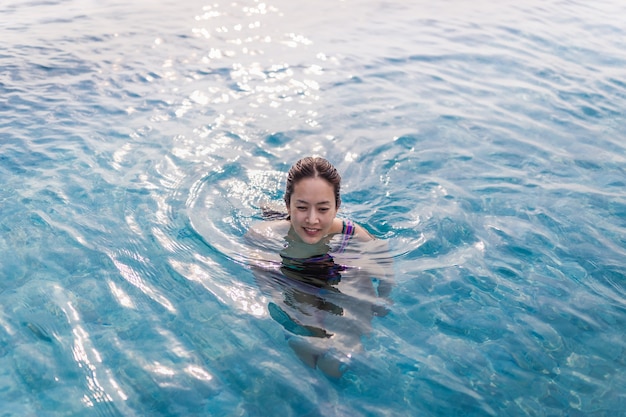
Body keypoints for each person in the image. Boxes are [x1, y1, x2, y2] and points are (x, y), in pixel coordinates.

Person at [246, 156, 392, 379]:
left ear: (336, 207)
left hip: (331, 269)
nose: (312, 219)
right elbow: (268, 286)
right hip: (292, 274)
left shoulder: (351, 233)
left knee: (349, 335)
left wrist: (384, 295)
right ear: (289, 205)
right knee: (308, 338)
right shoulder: (264, 235)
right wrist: (293, 309)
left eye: (323, 209)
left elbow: (384, 262)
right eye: (302, 207)